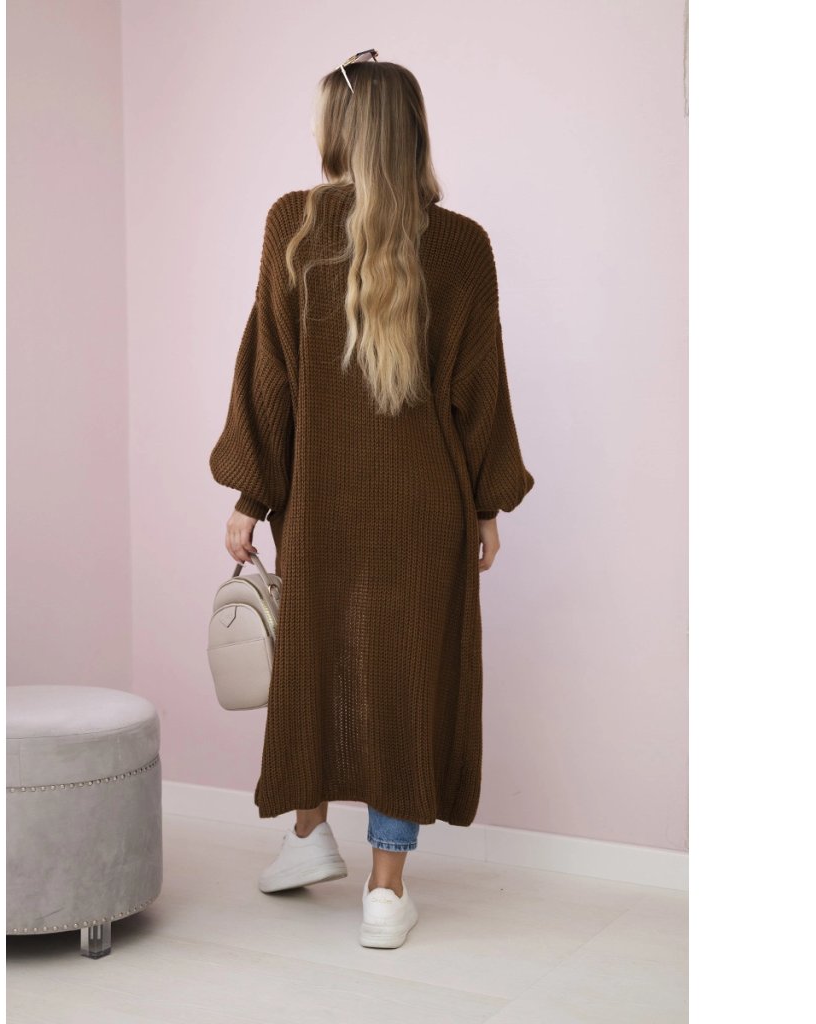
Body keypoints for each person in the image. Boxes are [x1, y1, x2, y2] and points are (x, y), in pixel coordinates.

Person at [209, 50, 535, 949]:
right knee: (403, 676)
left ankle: (312, 835)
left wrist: (250, 497)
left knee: (317, 656)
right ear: (413, 131)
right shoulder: (460, 244)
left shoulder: (294, 224)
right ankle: (379, 888)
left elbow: (268, 376)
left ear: (340, 130)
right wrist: (485, 506)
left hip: (320, 503)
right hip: (426, 510)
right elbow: (481, 392)